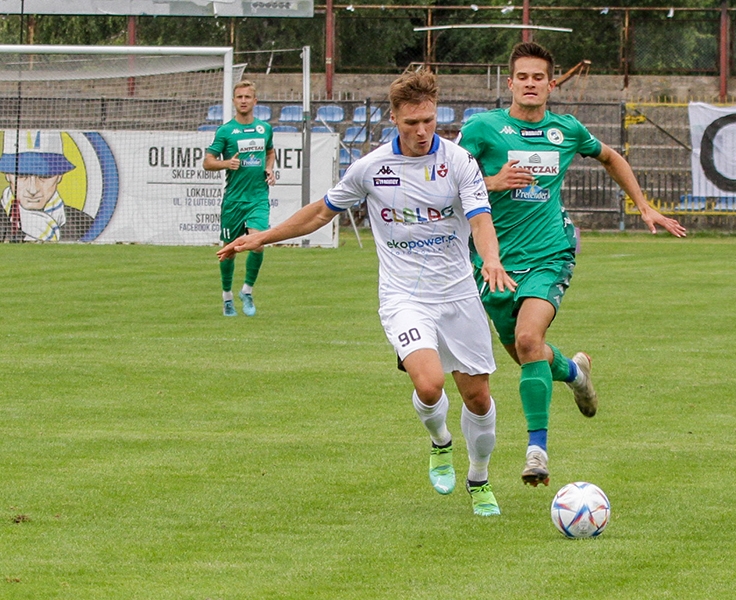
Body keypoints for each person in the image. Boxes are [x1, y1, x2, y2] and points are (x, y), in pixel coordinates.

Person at [218, 70, 516, 517]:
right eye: (411, 122)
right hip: (403, 296)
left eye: (429, 121)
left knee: (478, 397)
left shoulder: (458, 162)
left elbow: (479, 220)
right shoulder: (371, 168)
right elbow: (321, 211)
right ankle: (440, 443)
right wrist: (264, 236)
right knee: (429, 383)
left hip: (457, 294)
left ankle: (479, 479)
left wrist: (490, 258)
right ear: (394, 117)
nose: (421, 131)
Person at [457, 42, 687, 487]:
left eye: (538, 77)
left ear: (550, 84)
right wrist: (493, 181)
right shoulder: (483, 129)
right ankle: (575, 372)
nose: (530, 83)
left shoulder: (567, 130)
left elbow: (611, 157)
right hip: (494, 262)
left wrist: (644, 207)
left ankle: (536, 452)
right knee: (529, 355)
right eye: (522, 76)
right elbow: (452, 182)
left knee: (528, 340)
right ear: (510, 82)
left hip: (549, 253)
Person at [203, 80, 276, 317]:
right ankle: (227, 297)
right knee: (229, 250)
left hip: (258, 197)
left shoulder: (264, 128)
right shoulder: (226, 131)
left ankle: (247, 290)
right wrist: (226, 163)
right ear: (234, 101)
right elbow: (208, 161)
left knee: (258, 243)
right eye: (239, 97)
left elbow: (270, 151)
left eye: (247, 97)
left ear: (255, 101)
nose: (243, 100)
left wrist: (269, 168)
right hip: (234, 199)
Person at [0, 130, 94, 242]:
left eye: (45, 176)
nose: (33, 189)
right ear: (7, 175)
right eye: (22, 176)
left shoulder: (84, 224)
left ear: (59, 176)